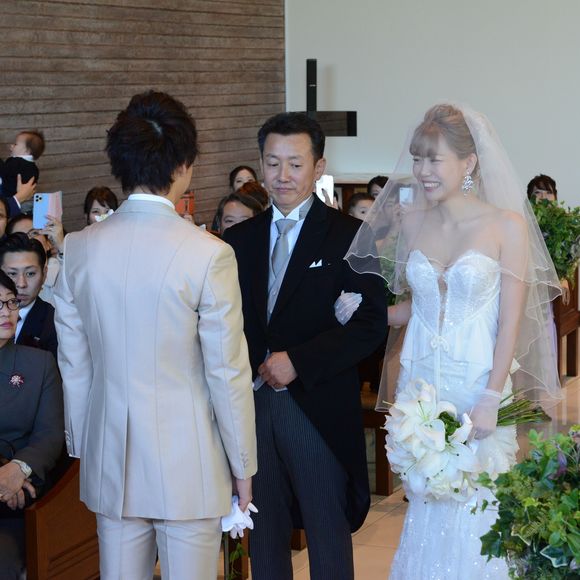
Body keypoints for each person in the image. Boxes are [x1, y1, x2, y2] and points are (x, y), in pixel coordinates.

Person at [346, 104, 561, 579]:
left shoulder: (506, 225)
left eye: (434, 159)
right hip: (423, 384)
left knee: (478, 504)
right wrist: (363, 313)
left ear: (469, 162)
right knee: (427, 502)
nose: (422, 171)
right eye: (417, 159)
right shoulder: (414, 223)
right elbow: (417, 306)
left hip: (477, 383)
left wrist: (491, 397)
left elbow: (510, 322)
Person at [54, 90, 257, 579]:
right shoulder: (208, 253)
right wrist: (243, 465)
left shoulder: (79, 248)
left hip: (112, 460)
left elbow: (74, 362)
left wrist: (85, 445)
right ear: (183, 166)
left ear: (120, 164)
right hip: (189, 463)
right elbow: (226, 371)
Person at [224, 112, 387, 580]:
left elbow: (371, 323)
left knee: (326, 529)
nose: (283, 175)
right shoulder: (237, 240)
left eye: (295, 164)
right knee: (264, 533)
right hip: (253, 406)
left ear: (318, 167)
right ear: (261, 164)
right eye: (273, 163)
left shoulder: (349, 236)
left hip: (316, 405)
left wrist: (299, 360)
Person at [0, 270, 64, 578]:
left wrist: (19, 470)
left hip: (17, 505)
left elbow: (50, 434)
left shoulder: (38, 364)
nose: (6, 312)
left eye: (11, 302)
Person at [0, 233, 58, 360]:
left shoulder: (55, 324)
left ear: (44, 274)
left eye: (30, 273)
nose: (21, 284)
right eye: (12, 273)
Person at [5, 214, 62, 307]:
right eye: (19, 236)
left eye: (34, 233)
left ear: (48, 243)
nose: (28, 239)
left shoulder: (66, 271)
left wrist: (61, 246)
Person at [0, 131, 44, 199]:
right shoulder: (34, 168)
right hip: (20, 198)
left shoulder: (15, 162)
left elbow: (3, 171)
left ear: (26, 150)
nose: (11, 146)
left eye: (15, 144)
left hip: (7, 195)